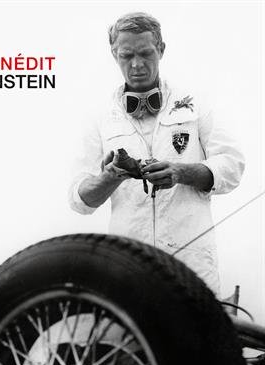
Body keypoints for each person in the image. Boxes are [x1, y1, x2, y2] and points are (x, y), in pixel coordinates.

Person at [68, 12, 244, 295]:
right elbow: (79, 200)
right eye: (126, 55)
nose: (137, 64)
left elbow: (232, 165)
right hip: (128, 266)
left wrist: (180, 172)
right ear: (114, 54)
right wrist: (110, 177)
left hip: (192, 266)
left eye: (146, 53)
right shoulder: (99, 117)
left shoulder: (198, 103)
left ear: (161, 49)